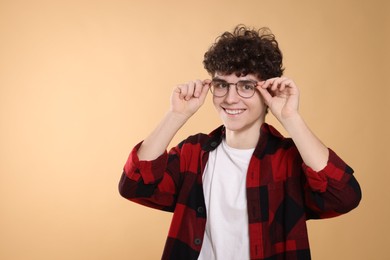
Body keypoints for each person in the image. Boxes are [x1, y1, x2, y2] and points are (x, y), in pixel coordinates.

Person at [118, 25, 361, 260]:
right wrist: (176, 115)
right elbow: (134, 185)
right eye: (222, 85)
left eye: (246, 86)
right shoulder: (193, 153)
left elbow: (343, 196)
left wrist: (291, 118)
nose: (230, 98)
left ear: (268, 90)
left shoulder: (288, 160)